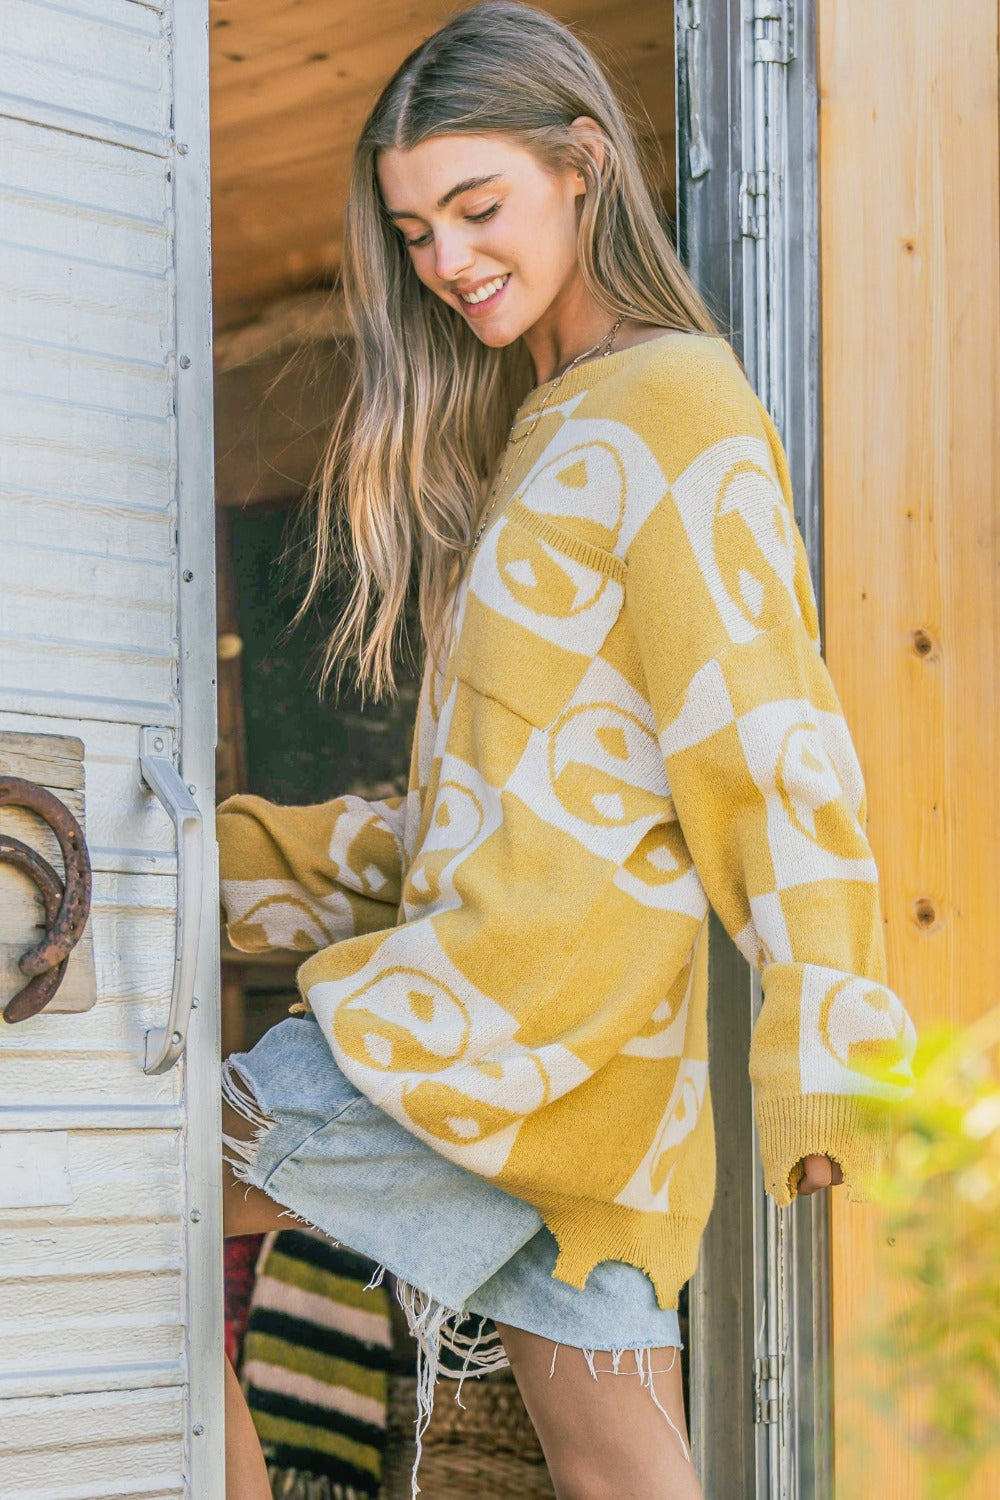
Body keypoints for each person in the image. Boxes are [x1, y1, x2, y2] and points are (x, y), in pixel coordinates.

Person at [217, 4, 918, 1497]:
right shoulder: (555, 422)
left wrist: (822, 1052)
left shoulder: (673, 406)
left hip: (503, 1032)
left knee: (121, 1198)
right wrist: (223, 861)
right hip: (589, 1070)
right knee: (625, 1473)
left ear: (583, 163)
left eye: (479, 208)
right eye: (415, 233)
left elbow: (770, 742)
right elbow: (497, 812)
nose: (449, 261)